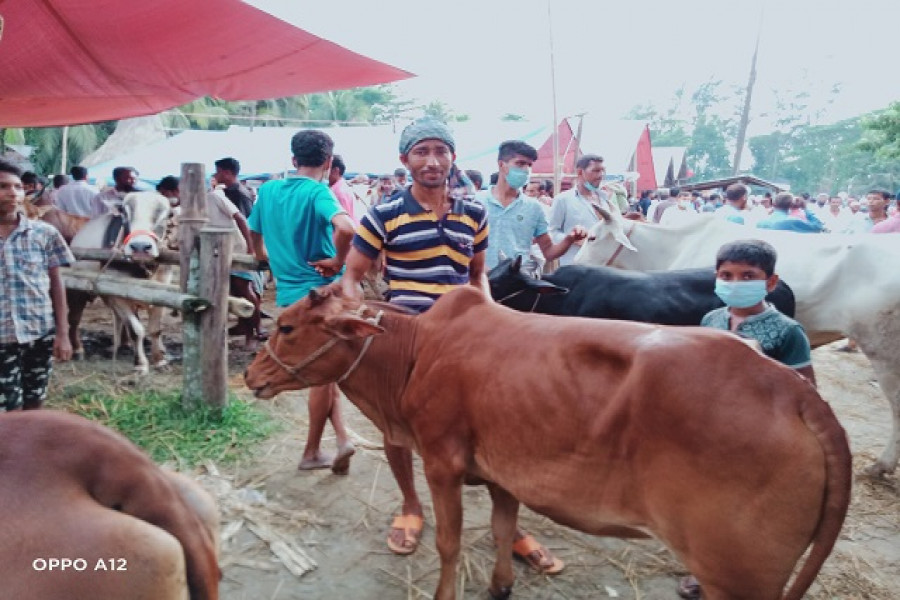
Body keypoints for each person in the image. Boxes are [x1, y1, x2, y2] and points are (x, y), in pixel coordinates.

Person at [336, 117, 564, 574]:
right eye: (421, 152)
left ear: (453, 158)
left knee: (495, 426)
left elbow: (477, 276)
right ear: (405, 161)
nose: (432, 160)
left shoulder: (473, 213)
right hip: (408, 339)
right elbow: (352, 274)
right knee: (396, 424)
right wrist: (353, 307)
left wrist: (498, 323)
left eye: (440, 151)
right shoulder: (383, 214)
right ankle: (410, 505)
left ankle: (509, 527)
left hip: (465, 339)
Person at [677, 238, 816, 599]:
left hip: (757, 439)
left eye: (747, 276)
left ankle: (734, 576)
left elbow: (805, 390)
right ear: (716, 277)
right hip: (710, 433)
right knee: (703, 506)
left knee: (743, 511)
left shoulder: (787, 332)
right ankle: (704, 571)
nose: (735, 283)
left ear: (770, 282)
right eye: (726, 275)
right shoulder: (712, 319)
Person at [248, 129, 357, 474]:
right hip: (320, 294)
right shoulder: (317, 192)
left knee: (329, 377)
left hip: (289, 294)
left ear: (293, 160)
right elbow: (347, 229)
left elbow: (254, 231)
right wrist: (339, 262)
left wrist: (260, 255)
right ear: (328, 162)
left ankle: (341, 441)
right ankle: (311, 452)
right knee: (324, 377)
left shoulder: (267, 190)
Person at [0, 159, 74, 412]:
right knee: (7, 411)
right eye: (3, 186)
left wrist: (63, 334)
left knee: (35, 406)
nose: (13, 193)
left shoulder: (44, 234)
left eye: (18, 187)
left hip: (38, 334)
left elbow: (56, 285)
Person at [477, 140, 587, 271]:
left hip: (517, 283)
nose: (526, 170)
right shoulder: (476, 202)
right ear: (501, 165)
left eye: (529, 165)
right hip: (478, 282)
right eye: (520, 163)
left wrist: (570, 239)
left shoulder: (534, 208)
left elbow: (549, 252)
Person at [549, 153, 616, 266]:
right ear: (580, 172)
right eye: (596, 170)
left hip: (604, 266)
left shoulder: (605, 199)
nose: (601, 175)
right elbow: (552, 232)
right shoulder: (563, 199)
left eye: (603, 171)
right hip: (575, 266)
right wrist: (572, 239)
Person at [756, 192, 825, 233]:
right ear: (792, 205)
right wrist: (804, 208)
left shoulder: (760, 222)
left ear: (774, 204)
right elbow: (818, 226)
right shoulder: (792, 222)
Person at [327, 154, 356, 221]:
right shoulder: (342, 186)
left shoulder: (338, 192)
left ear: (336, 171)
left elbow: (344, 223)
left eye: (326, 169)